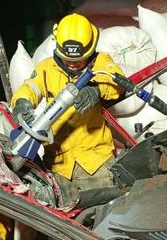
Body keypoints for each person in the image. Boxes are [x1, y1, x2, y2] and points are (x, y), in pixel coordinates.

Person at [10, 13, 125, 196]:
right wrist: (22, 102)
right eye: (68, 59)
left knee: (106, 207)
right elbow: (31, 87)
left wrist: (96, 90)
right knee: (63, 210)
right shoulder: (46, 68)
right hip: (58, 164)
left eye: (79, 60)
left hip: (95, 161)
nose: (73, 64)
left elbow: (116, 81)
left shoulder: (101, 62)